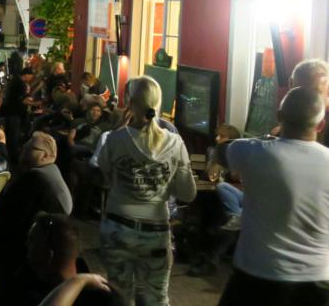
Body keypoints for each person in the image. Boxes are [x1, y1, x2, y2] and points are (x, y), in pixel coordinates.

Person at [215, 86, 329, 305]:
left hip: (257, 274)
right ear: (320, 125)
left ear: (279, 117)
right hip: (317, 280)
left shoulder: (252, 151)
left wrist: (268, 137)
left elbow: (221, 152)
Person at [96, 75, 196, 305]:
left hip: (117, 227)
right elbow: (187, 194)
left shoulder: (115, 139)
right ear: (158, 103)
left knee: (119, 296)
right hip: (156, 231)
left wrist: (118, 130)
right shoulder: (175, 143)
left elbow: (104, 176)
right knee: (155, 298)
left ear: (130, 103)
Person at [0, 132, 72, 287]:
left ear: (45, 155)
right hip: (36, 259)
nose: (22, 149)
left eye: (29, 148)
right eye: (24, 145)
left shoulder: (34, 179)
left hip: (13, 257)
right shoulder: (54, 175)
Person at [0, 213, 121, 306]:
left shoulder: (98, 296)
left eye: (32, 240)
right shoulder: (27, 275)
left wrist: (78, 281)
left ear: (49, 254)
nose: (26, 244)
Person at [289, 58, 329, 147]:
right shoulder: (287, 118)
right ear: (290, 85)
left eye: (314, 92)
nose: (305, 99)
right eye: (299, 92)